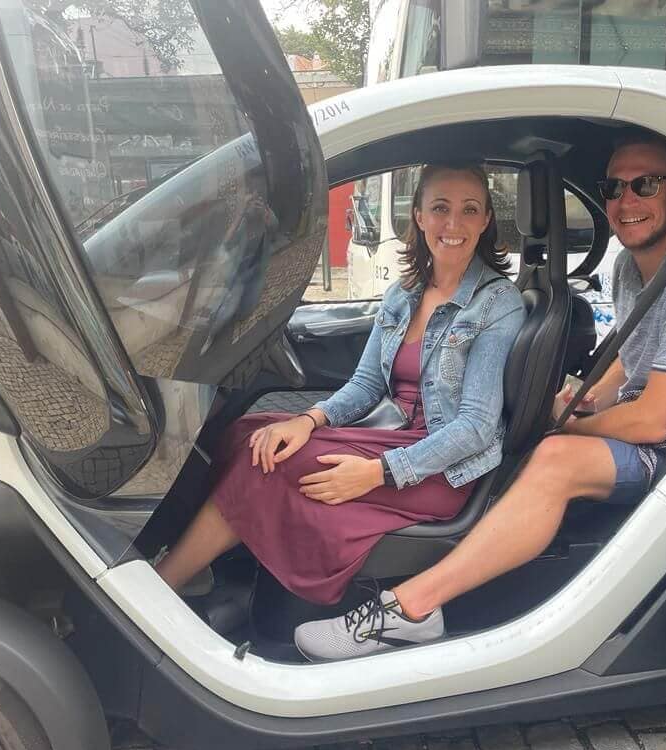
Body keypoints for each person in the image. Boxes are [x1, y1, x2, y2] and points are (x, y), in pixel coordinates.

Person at [295, 130, 666, 660]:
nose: (625, 202)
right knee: (547, 437)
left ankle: (410, 610)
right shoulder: (636, 267)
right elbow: (630, 362)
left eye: (646, 185)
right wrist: (578, 397)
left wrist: (564, 425)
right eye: (613, 187)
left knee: (555, 457)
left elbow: (655, 422)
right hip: (661, 420)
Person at [153, 164, 525, 608]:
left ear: (485, 221)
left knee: (262, 465)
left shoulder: (498, 303)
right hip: (393, 432)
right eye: (440, 208)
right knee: (250, 436)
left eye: (469, 210)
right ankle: (211, 565)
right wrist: (309, 420)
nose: (453, 224)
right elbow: (367, 384)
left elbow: (475, 428)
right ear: (419, 217)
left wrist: (376, 474)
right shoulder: (404, 294)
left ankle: (165, 583)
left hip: (440, 467)